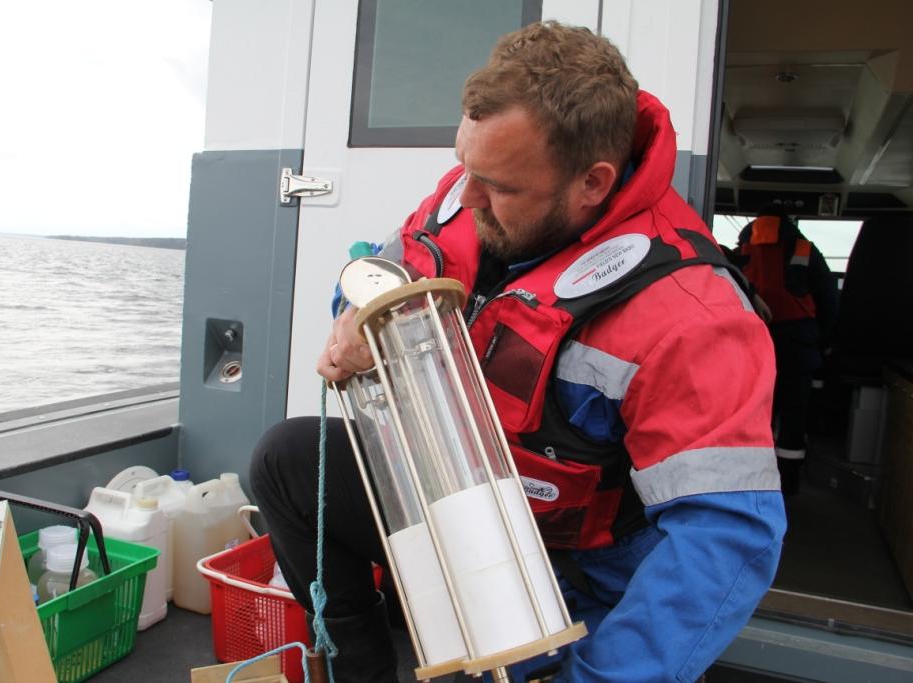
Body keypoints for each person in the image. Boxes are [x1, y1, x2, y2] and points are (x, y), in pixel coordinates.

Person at [250, 21, 786, 683]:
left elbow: (724, 539)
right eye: (465, 166)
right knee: (286, 460)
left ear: (591, 183)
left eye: (499, 187)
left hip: (573, 581)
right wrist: (361, 317)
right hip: (463, 506)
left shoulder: (694, 319)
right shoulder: (473, 186)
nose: (467, 196)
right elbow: (385, 270)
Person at [735, 205, 839, 494]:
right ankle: (789, 483)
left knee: (757, 414)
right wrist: (824, 339)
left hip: (753, 342)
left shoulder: (741, 250)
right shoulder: (804, 248)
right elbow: (828, 297)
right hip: (798, 345)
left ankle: (752, 482)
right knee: (794, 414)